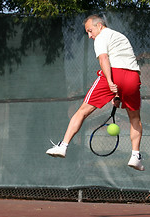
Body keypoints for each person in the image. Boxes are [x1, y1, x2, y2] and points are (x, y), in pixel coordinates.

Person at [46, 14, 144, 171]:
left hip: (113, 74)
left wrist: (111, 82)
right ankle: (135, 156)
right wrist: (117, 95)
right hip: (133, 77)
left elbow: (104, 59)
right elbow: (125, 63)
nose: (90, 35)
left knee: (82, 111)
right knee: (135, 119)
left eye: (90, 30)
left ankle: (63, 146)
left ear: (99, 26)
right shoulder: (120, 37)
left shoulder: (101, 37)